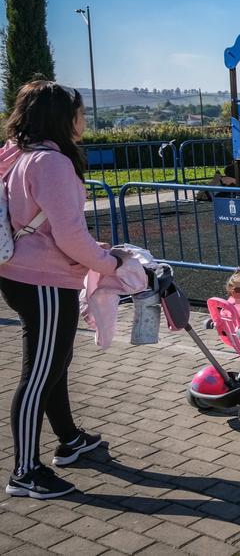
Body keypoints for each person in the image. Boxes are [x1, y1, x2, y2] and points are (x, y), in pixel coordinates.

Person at [0, 81, 130, 499]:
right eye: (80, 112)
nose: (84, 120)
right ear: (62, 117)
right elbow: (69, 236)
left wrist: (92, 252)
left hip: (20, 273)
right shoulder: (51, 163)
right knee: (39, 375)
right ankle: (24, 472)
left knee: (52, 364)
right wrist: (110, 263)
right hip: (44, 281)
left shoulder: (15, 153)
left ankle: (70, 439)